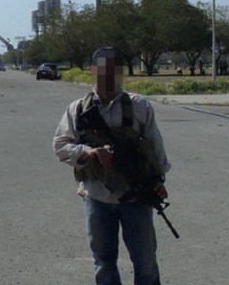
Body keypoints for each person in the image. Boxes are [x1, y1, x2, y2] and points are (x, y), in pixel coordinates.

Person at [53, 47, 171, 285]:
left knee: (145, 262)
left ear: (121, 72)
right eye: (102, 68)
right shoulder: (78, 108)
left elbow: (156, 150)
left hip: (136, 197)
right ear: (92, 71)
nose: (107, 74)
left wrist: (158, 181)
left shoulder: (139, 106)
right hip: (96, 196)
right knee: (104, 262)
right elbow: (60, 146)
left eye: (113, 68)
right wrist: (89, 152)